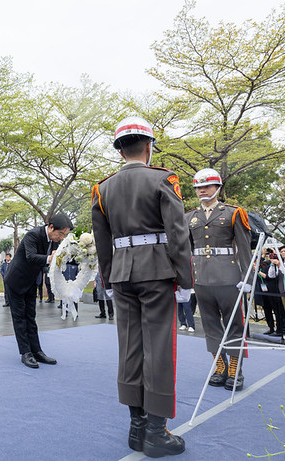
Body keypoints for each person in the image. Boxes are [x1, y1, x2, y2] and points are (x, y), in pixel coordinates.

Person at [92, 116, 192, 457]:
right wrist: (185, 280)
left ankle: (136, 428)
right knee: (158, 347)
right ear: (149, 147)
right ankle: (156, 432)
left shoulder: (102, 188)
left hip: (121, 273)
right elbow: (177, 233)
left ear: (120, 151)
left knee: (130, 347)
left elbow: (102, 241)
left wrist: (107, 279)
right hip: (157, 271)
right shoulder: (163, 179)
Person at [186, 167, 252, 392]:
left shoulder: (233, 213)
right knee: (210, 324)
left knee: (234, 324)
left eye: (207, 186)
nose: (202, 191)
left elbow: (244, 248)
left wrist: (247, 277)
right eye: (198, 187)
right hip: (201, 277)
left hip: (228, 278)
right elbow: (186, 251)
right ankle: (220, 365)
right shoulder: (189, 217)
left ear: (218, 187)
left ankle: (235, 368)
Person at [4, 213, 72, 369]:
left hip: (30, 281)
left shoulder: (54, 241)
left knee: (31, 317)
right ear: (51, 227)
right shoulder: (33, 235)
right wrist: (50, 258)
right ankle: (25, 353)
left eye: (65, 235)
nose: (61, 237)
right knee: (19, 318)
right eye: (61, 233)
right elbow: (31, 257)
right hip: (15, 280)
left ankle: (37, 351)